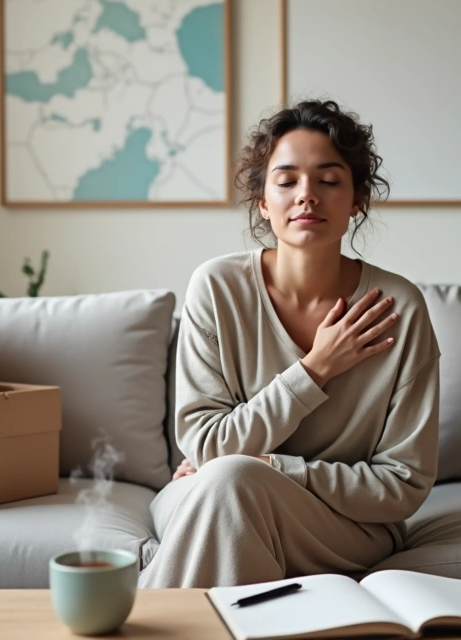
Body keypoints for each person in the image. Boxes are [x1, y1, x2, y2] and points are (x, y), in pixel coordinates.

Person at [138, 99, 441, 589]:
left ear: (357, 198)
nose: (307, 196)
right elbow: (208, 446)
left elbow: (402, 485)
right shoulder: (217, 288)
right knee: (226, 487)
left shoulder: (397, 308)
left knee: (230, 484)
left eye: (329, 180)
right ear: (263, 201)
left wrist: (272, 468)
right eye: (286, 181)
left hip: (342, 522)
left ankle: (146, 620)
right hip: (207, 490)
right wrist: (315, 369)